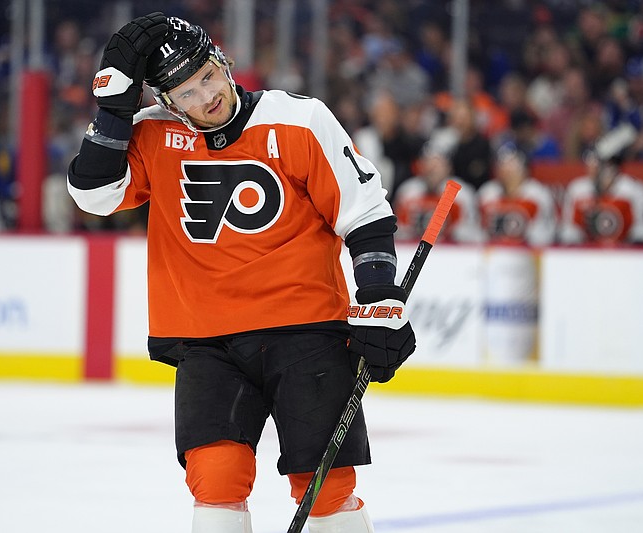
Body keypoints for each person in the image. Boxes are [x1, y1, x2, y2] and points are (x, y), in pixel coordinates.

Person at [66, 12, 416, 533]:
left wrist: (379, 299)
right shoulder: (153, 134)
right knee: (215, 482)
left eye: (208, 75)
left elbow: (364, 212)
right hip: (207, 341)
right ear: (165, 103)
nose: (207, 97)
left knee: (325, 489)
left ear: (223, 61)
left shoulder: (298, 119)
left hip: (307, 332)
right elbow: (93, 196)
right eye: (185, 93)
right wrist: (114, 111)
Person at [560, 124, 643, 245]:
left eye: (595, 162)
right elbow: (568, 232)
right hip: (587, 255)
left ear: (611, 166)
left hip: (625, 254)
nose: (590, 166)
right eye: (589, 161)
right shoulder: (577, 190)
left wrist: (623, 235)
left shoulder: (634, 190)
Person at [393, 132, 484, 244]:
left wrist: (451, 233)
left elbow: (473, 234)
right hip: (413, 252)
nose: (432, 169)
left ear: (448, 166)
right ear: (421, 165)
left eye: (438, 163)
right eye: (428, 162)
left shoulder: (461, 194)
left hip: (451, 255)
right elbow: (397, 231)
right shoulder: (408, 191)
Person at [478, 144, 558, 247]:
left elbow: (544, 236)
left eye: (512, 164)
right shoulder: (487, 193)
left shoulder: (538, 195)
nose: (506, 169)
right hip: (491, 254)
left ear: (525, 170)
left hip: (527, 256)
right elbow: (477, 233)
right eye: (503, 164)